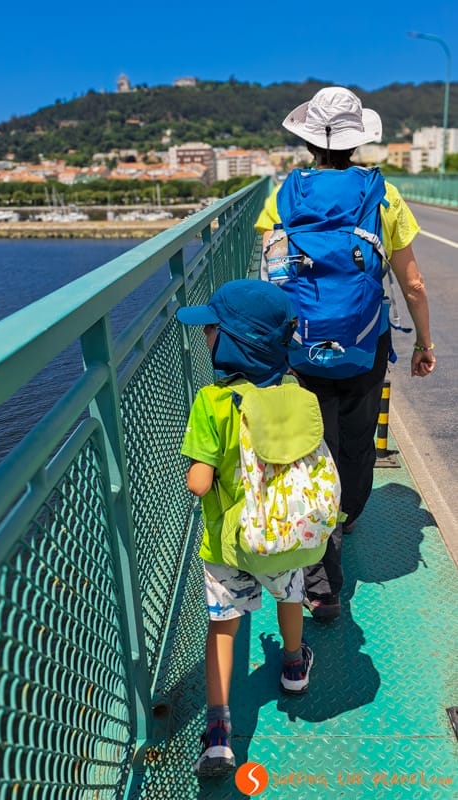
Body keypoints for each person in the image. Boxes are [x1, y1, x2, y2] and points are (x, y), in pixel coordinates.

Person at [255, 86, 436, 620]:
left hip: (300, 342)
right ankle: (350, 512)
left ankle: (321, 586)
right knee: (357, 436)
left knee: (311, 447)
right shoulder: (384, 194)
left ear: (310, 141)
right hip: (364, 339)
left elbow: (271, 275)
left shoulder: (283, 194)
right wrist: (424, 343)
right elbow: (414, 283)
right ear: (358, 142)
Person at [177, 279, 318, 778]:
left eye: (213, 329)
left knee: (223, 627)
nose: (207, 337)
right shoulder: (296, 393)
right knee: (290, 596)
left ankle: (218, 732)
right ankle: (295, 667)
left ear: (235, 340)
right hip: (284, 536)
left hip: (229, 543)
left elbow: (198, 483)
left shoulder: (211, 402)